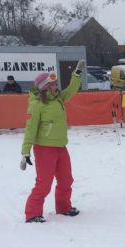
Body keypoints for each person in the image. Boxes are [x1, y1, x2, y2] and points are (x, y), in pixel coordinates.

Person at [21, 60, 85, 223]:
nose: (56, 86)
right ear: (45, 87)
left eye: (56, 83)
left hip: (61, 146)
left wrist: (76, 74)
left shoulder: (58, 98)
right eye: (53, 84)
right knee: (44, 184)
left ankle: (63, 207)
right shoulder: (36, 104)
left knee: (66, 180)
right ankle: (32, 213)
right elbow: (30, 129)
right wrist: (25, 152)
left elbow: (71, 90)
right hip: (44, 149)